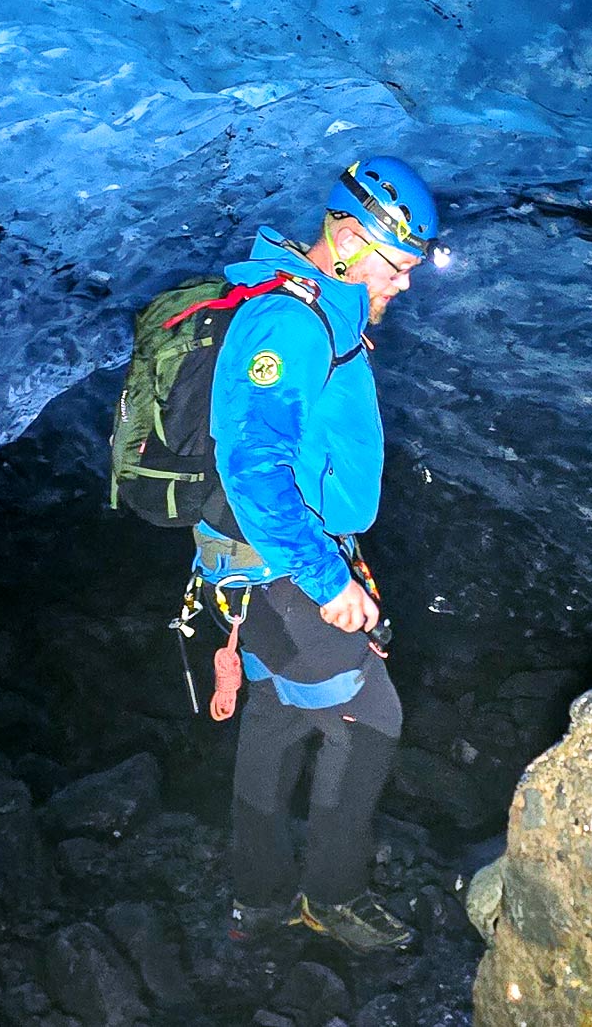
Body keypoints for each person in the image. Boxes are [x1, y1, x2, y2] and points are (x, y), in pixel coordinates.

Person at [195, 155, 440, 955]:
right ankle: (329, 896)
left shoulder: (321, 311)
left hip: (261, 563)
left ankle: (256, 897)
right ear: (345, 237)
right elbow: (254, 463)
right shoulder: (290, 322)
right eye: (396, 266)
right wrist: (329, 578)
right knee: (370, 719)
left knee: (271, 719)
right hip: (280, 569)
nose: (402, 285)